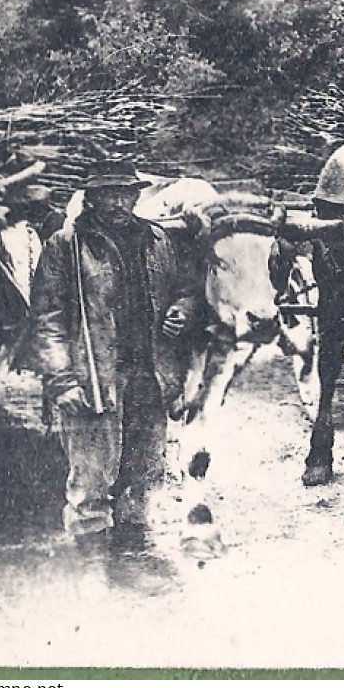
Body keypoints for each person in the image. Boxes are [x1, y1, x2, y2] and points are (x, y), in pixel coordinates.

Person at [29, 164, 203, 591]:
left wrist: (183, 310)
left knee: (143, 473)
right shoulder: (66, 245)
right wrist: (61, 380)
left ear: (136, 196)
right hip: (94, 378)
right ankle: (91, 571)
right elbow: (47, 318)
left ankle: (133, 555)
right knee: (91, 479)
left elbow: (186, 287)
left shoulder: (159, 240)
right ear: (91, 199)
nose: (117, 203)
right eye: (106, 195)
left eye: (125, 194)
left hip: (150, 374)